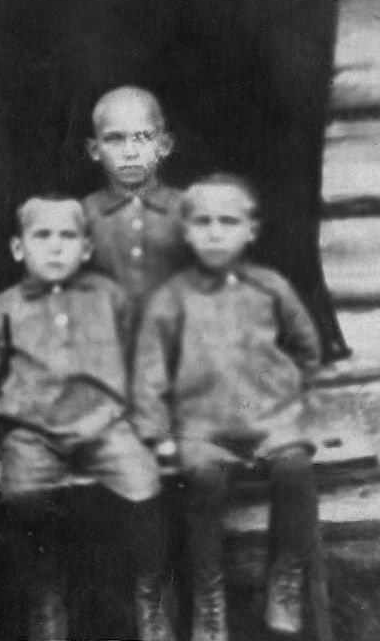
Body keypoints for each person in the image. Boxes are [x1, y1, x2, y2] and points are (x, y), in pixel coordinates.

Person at [0, 195, 175, 641]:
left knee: (145, 487)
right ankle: (46, 600)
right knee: (23, 496)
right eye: (42, 236)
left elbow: (144, 363)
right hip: (32, 433)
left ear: (86, 248)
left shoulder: (108, 297)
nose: (56, 247)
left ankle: (149, 596)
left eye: (67, 236)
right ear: (18, 248)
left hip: (104, 425)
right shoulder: (3, 308)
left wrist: (152, 426)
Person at [133, 173, 322, 640]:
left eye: (229, 221)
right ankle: (209, 598)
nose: (216, 232)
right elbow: (149, 372)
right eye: (204, 222)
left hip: (266, 419)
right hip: (202, 425)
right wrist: (156, 435)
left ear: (250, 230)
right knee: (202, 479)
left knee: (295, 468)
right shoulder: (171, 298)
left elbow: (306, 347)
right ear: (187, 231)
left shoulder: (270, 287)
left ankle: (285, 578)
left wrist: (284, 393)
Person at [83, 85, 192, 360]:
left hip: (177, 349)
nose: (129, 152)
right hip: (102, 351)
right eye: (115, 139)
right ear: (95, 149)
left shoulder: (189, 209)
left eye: (142, 137)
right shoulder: (83, 213)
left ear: (164, 146)